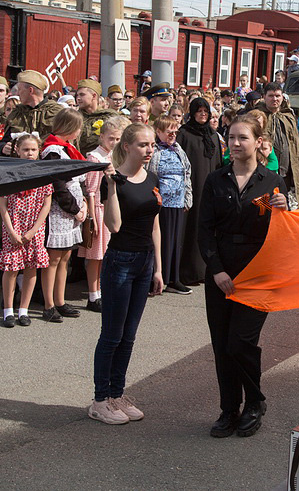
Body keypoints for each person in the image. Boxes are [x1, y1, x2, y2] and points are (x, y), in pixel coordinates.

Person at [198, 114, 289, 438]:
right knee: (222, 345)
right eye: (231, 137)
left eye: (242, 138)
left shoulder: (272, 180)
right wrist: (217, 269)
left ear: (259, 142)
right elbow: (204, 229)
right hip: (221, 272)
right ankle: (228, 410)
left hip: (259, 274)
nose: (235, 144)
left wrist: (284, 209)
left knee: (241, 343)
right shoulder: (216, 180)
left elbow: (282, 232)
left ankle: (254, 402)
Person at [89, 122, 165, 425]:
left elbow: (155, 225)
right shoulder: (115, 180)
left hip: (145, 261)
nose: (148, 150)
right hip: (120, 260)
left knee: (129, 336)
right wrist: (111, 187)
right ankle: (99, 400)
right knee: (112, 335)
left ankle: (117, 394)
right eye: (143, 145)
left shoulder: (153, 178)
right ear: (127, 146)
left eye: (151, 145)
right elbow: (114, 226)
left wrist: (159, 268)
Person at [0, 134, 53, 326]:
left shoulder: (43, 174)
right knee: (11, 269)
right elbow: (3, 205)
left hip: (34, 228)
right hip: (13, 227)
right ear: (17, 151)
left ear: (39, 151)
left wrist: (33, 231)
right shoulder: (10, 173)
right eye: (25, 150)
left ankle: (24, 309)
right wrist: (12, 232)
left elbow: (46, 205)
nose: (29, 153)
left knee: (31, 268)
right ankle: (8, 310)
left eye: (33, 150)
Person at [40, 109, 88, 322]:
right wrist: (75, 209)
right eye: (77, 127)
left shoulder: (66, 148)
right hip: (60, 210)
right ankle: (49, 304)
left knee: (65, 257)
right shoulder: (52, 150)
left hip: (72, 210)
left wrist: (83, 203)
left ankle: (60, 300)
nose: (79, 131)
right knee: (54, 258)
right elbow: (58, 186)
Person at [78, 116, 127, 313]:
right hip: (98, 207)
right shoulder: (95, 157)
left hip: (110, 207)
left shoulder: (114, 157)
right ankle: (93, 294)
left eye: (117, 139)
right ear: (102, 137)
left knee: (107, 255)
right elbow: (90, 189)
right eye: (111, 139)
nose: (114, 143)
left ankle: (103, 290)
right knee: (95, 256)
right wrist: (92, 217)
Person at [176, 97, 224, 285]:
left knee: (206, 228)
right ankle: (186, 271)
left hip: (208, 188)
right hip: (190, 187)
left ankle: (204, 270)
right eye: (199, 111)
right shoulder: (184, 134)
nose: (203, 114)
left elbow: (218, 162)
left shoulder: (212, 135)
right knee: (190, 227)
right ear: (192, 112)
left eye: (206, 111)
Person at [149, 116, 193, 295]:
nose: (173, 135)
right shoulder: (154, 151)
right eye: (169, 132)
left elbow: (187, 174)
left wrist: (187, 197)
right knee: (161, 241)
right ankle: (159, 278)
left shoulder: (179, 150)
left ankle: (174, 278)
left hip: (178, 202)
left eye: (175, 131)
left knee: (176, 241)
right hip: (161, 204)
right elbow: (149, 174)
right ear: (158, 132)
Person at [1, 70, 62, 154]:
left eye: (19, 90)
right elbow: (4, 140)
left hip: (47, 164)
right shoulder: (17, 113)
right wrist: (3, 147)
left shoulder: (57, 112)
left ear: (30, 90)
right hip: (19, 164)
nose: (17, 94)